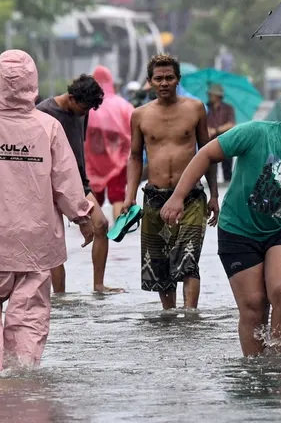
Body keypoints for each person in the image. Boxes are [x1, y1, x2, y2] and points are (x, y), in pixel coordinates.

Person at [0, 50, 94, 373]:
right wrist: (82, 217)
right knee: (30, 314)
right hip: (36, 241)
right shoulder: (48, 128)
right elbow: (66, 183)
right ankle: (20, 374)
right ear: (33, 83)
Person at [161, 85, 281, 356]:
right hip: (237, 230)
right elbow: (206, 154)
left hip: (279, 231)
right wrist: (178, 197)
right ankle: (256, 369)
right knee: (254, 305)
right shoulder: (255, 133)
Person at [114, 54, 219, 310]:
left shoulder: (195, 108)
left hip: (191, 197)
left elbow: (207, 152)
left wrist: (214, 194)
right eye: (158, 78)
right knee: (160, 267)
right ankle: (170, 318)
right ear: (149, 82)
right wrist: (129, 197)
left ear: (177, 80)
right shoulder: (139, 115)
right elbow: (135, 157)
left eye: (169, 78)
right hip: (154, 197)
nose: (164, 83)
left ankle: (190, 316)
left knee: (188, 260)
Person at [36, 74, 113, 294]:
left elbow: (79, 147)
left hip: (78, 181)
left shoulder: (83, 111)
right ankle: (59, 296)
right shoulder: (42, 113)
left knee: (101, 225)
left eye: (89, 109)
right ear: (71, 98)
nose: (85, 113)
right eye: (83, 109)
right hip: (48, 185)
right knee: (53, 244)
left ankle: (99, 285)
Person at [85, 64, 135, 226]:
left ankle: (94, 232)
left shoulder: (88, 106)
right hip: (118, 159)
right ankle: (119, 230)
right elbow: (134, 130)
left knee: (92, 198)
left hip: (93, 160)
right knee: (118, 196)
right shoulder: (124, 106)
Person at [206, 83, 237, 183]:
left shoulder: (228, 108)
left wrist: (216, 130)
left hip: (226, 141)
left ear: (218, 96)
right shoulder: (205, 108)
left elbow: (231, 124)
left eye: (212, 94)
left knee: (227, 171)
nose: (210, 96)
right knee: (210, 169)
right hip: (210, 141)